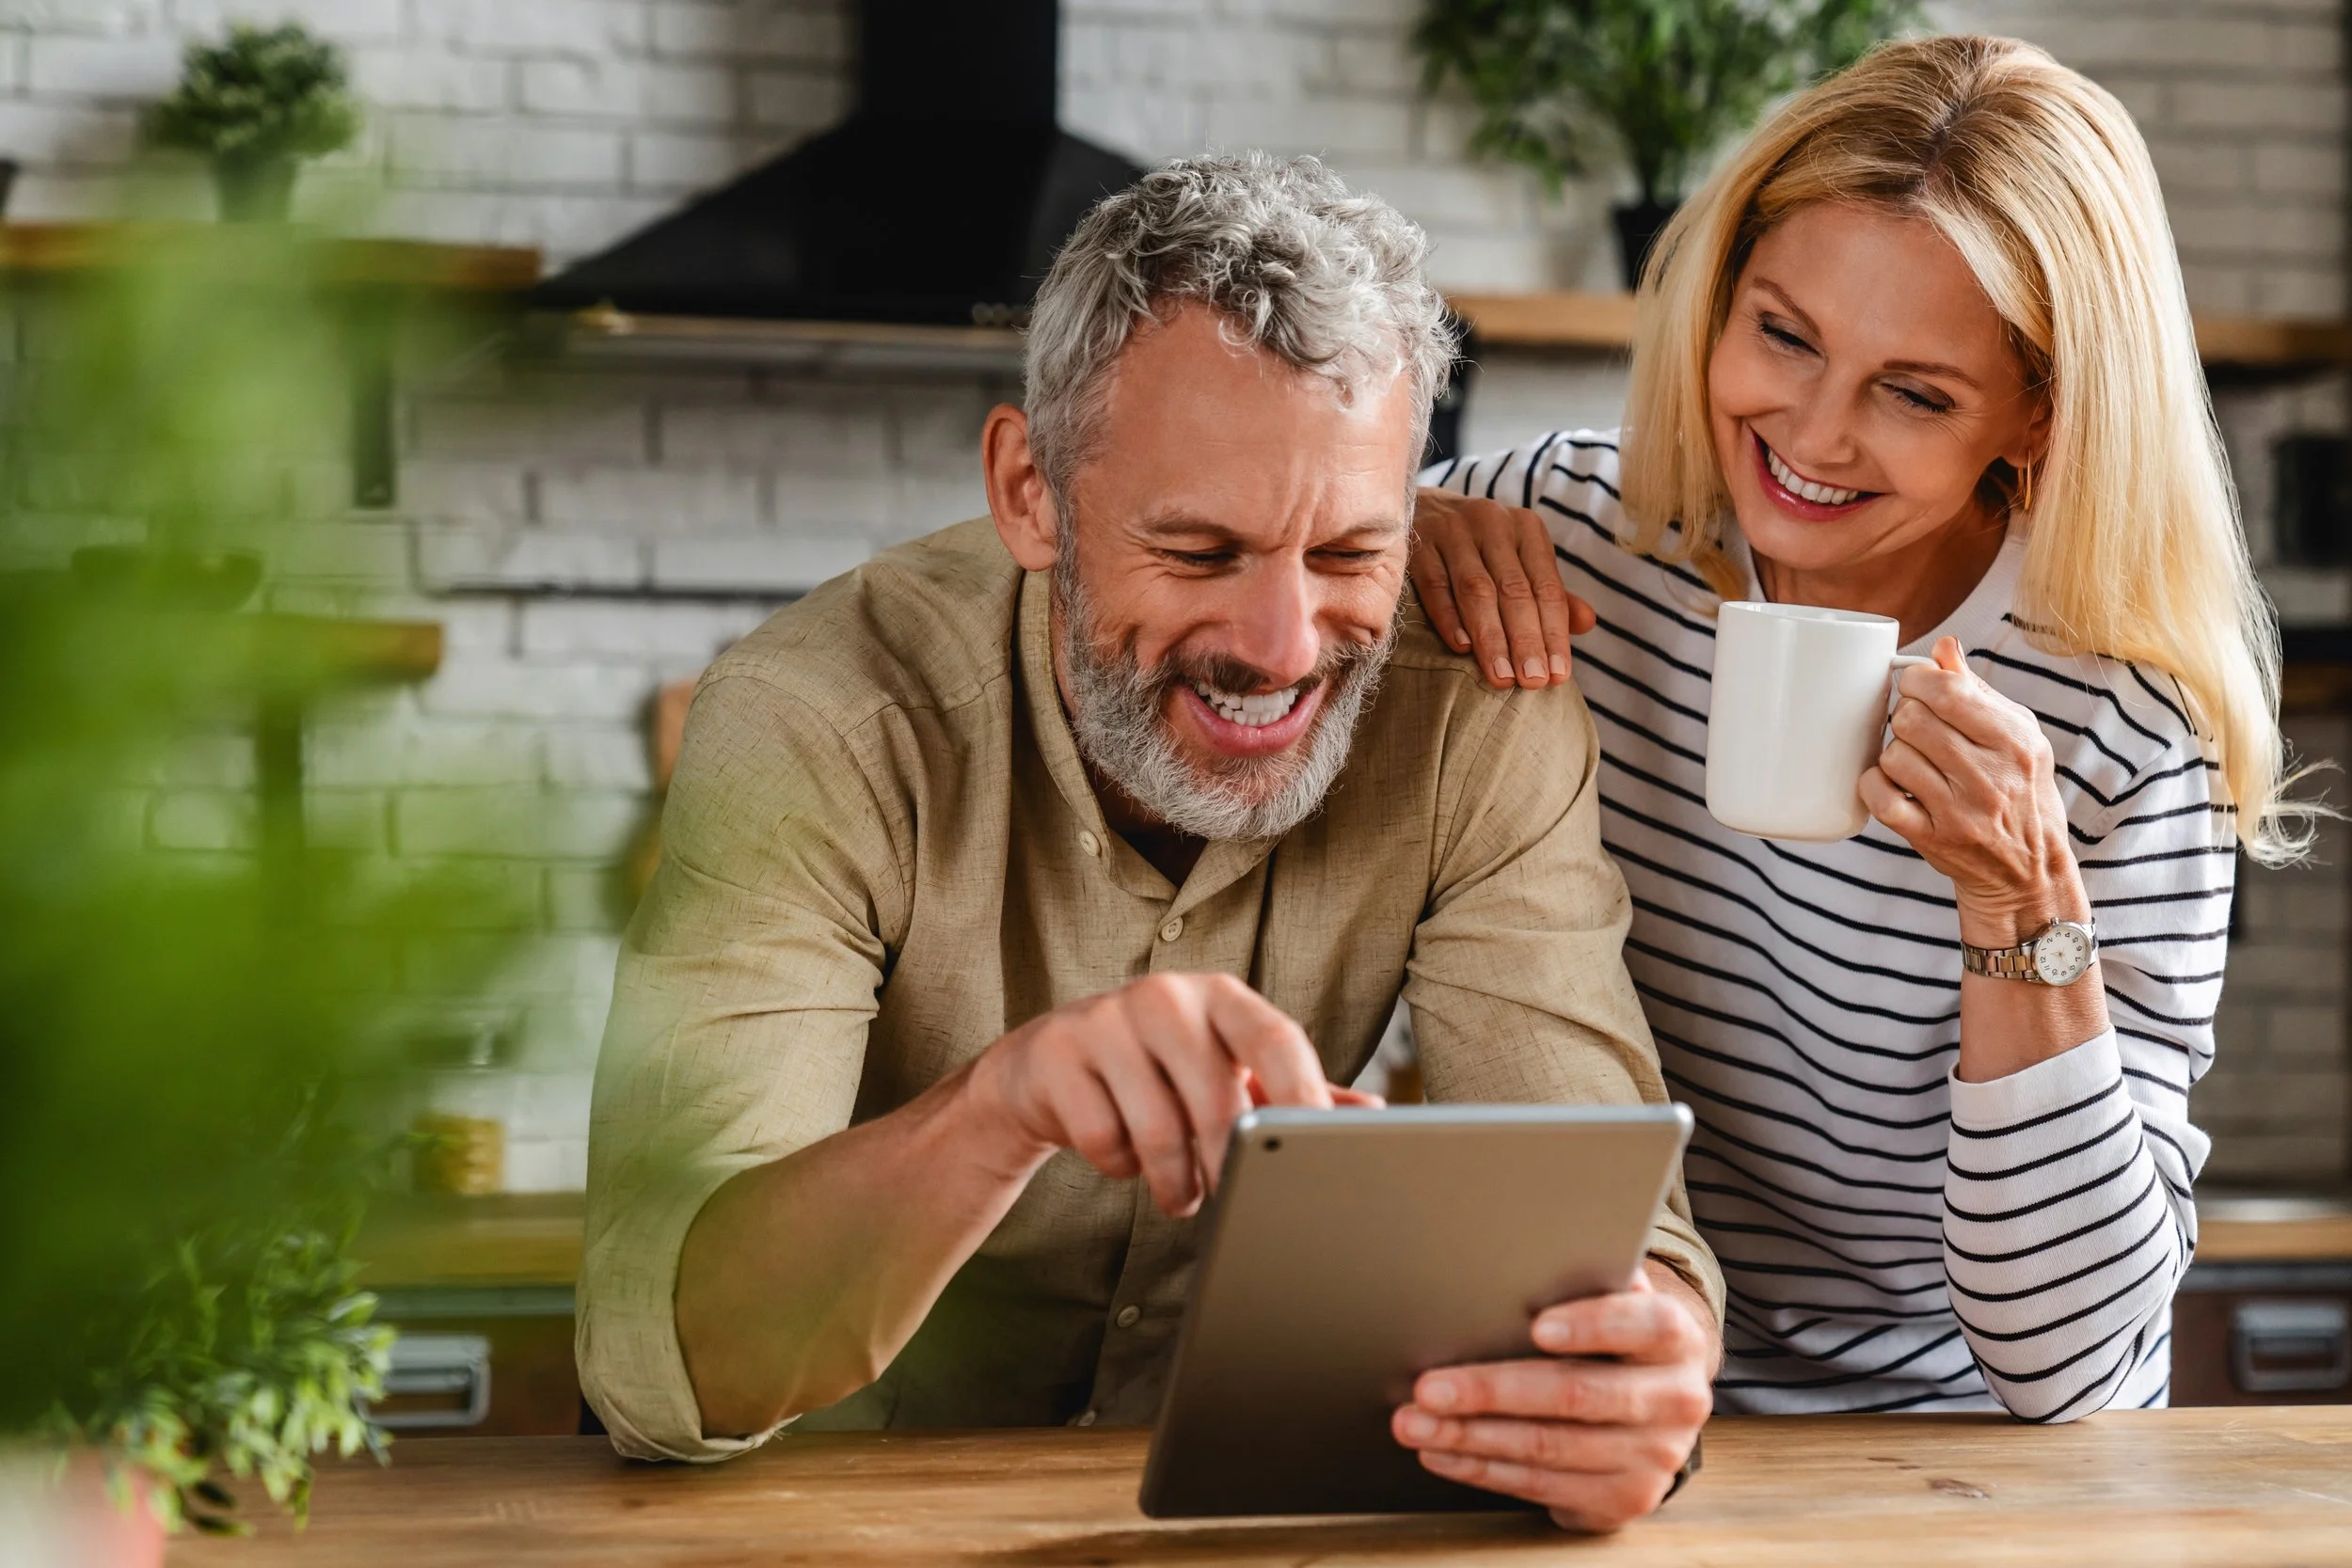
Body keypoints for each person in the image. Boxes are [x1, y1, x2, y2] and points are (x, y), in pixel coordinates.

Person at [580, 153, 1723, 1531]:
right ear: (1031, 491)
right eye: (1199, 552)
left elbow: (1607, 1222)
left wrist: (1643, 1376)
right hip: (840, 1528)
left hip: (1253, 1528)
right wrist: (996, 1108)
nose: (1283, 646)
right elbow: (665, 1357)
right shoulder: (819, 717)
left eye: (1352, 551)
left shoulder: (1478, 708)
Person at [1411, 35, 2303, 1420]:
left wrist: (2019, 900)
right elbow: (1268, 560)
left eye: (1915, 392)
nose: (1814, 435)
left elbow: (2077, 1365)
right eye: (1783, 334)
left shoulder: (2124, 725)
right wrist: (1390, 531)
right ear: (1719, 299)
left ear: (2037, 419)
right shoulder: (1577, 536)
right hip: (1591, 1384)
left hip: (1948, 1458)